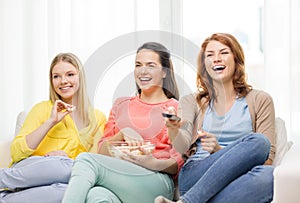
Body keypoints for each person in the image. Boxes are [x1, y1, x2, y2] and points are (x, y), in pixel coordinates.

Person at [155, 33, 275, 203]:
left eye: (224, 53)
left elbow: (267, 158)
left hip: (238, 177)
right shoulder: (191, 101)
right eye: (210, 55)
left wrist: (220, 150)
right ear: (204, 65)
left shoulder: (260, 100)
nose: (216, 59)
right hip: (197, 172)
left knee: (263, 155)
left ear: (236, 59)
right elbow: (182, 146)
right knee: (260, 144)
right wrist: (173, 129)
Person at [62, 42, 184, 203]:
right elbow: (101, 151)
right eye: (138, 65)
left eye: (151, 65)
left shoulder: (175, 108)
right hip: (120, 176)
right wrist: (121, 134)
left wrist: (152, 163)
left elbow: (178, 162)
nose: (143, 71)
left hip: (156, 181)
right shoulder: (121, 104)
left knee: (85, 160)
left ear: (164, 72)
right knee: (97, 195)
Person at [0, 53, 106, 203]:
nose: (63, 81)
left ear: (80, 77)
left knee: (68, 190)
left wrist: (67, 159)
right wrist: (51, 121)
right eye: (56, 76)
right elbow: (17, 153)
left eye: (70, 74)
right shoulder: (42, 109)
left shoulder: (97, 117)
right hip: (29, 170)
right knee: (60, 165)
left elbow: (93, 163)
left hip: (66, 177)